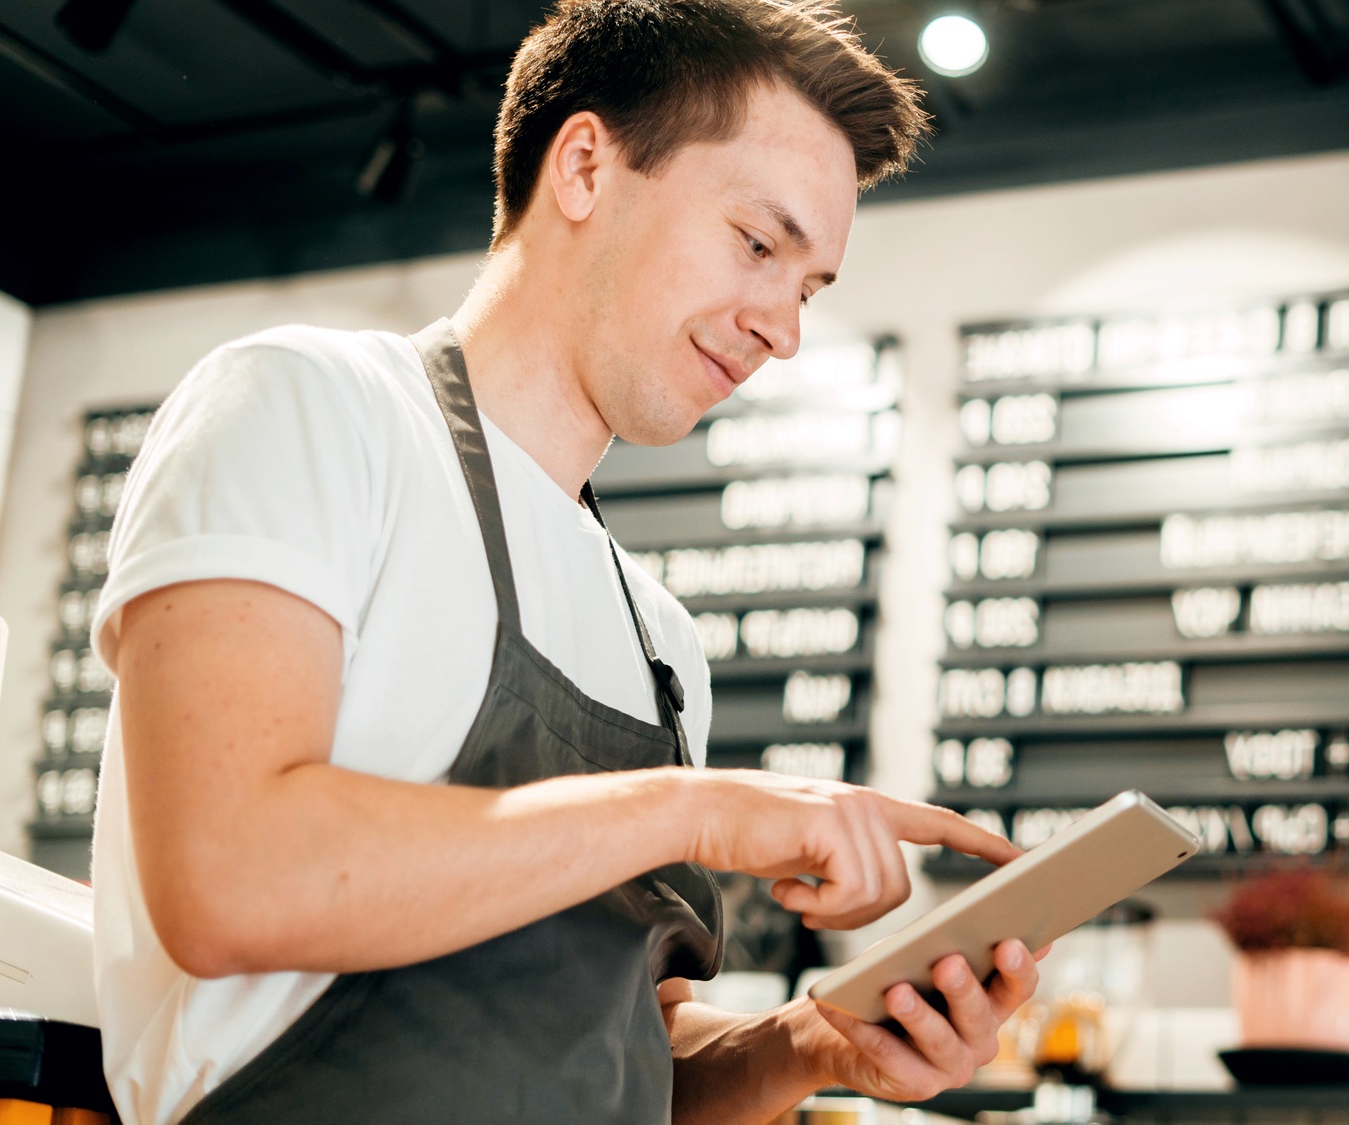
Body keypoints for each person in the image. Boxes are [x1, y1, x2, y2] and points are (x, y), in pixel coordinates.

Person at [88, 1, 1039, 1121]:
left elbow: (620, 1054)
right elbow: (230, 879)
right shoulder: (309, 405)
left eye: (808, 286)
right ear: (584, 167)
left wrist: (809, 1047)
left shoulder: (659, 641)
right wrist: (689, 810)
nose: (783, 327)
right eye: (756, 244)